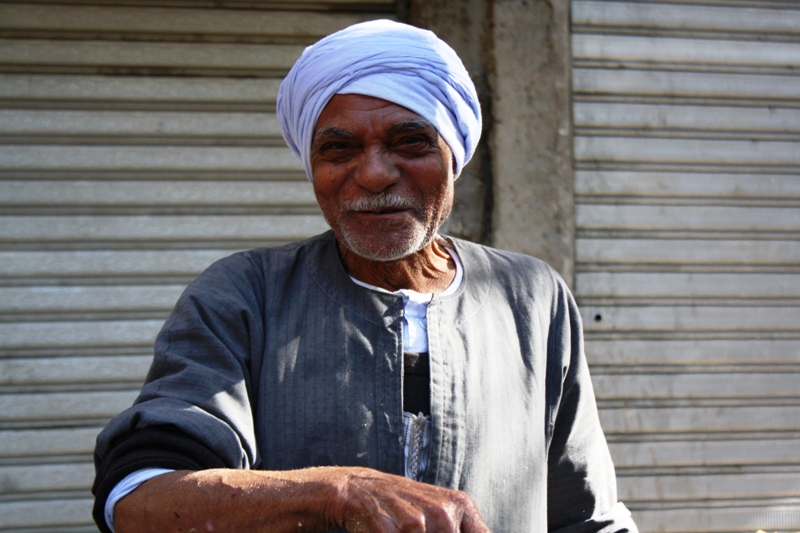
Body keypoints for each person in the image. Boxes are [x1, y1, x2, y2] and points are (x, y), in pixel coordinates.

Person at [92, 19, 638, 533]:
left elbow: (587, 517)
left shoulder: (533, 298)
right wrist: (337, 492)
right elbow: (139, 500)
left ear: (456, 156)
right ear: (313, 166)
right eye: (339, 148)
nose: (374, 173)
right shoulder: (244, 296)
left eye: (410, 142)